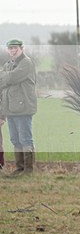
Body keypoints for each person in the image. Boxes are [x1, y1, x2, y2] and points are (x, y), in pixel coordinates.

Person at [0, 39, 37, 175]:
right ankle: (19, 168)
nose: (13, 50)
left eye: (15, 48)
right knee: (15, 139)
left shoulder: (26, 63)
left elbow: (11, 78)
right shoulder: (8, 64)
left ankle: (28, 169)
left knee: (25, 139)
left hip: (23, 107)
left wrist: (5, 76)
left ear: (22, 48)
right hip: (10, 109)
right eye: (10, 48)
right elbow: (2, 84)